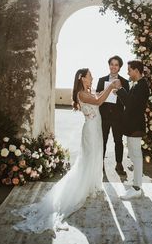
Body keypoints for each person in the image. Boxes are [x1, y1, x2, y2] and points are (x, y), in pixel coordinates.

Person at [12, 68, 121, 234]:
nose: (92, 77)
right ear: (83, 78)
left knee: (96, 156)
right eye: (89, 75)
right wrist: (110, 87)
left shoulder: (87, 91)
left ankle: (92, 185)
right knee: (89, 158)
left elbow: (98, 96)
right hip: (91, 130)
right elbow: (98, 102)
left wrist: (109, 89)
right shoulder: (81, 94)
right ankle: (82, 187)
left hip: (96, 127)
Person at [116, 60, 149, 200]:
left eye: (129, 69)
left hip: (136, 127)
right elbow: (130, 103)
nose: (127, 72)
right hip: (132, 126)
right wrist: (120, 92)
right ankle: (136, 184)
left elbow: (130, 103)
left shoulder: (142, 86)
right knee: (134, 155)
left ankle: (136, 188)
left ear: (136, 70)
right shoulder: (138, 84)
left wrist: (120, 89)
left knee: (136, 155)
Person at [96, 55, 129, 176]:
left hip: (117, 117)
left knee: (118, 141)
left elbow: (127, 101)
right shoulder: (101, 80)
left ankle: (119, 164)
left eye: (116, 65)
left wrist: (119, 92)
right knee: (102, 141)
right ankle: (100, 163)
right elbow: (97, 97)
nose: (113, 67)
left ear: (119, 67)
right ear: (109, 65)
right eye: (111, 64)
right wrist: (99, 94)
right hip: (104, 116)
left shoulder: (125, 82)